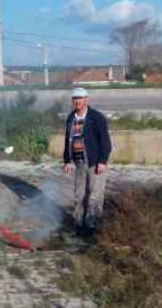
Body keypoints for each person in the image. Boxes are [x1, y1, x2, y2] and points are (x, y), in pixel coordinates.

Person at [63, 87, 112, 233]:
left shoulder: (96, 118)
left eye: (80, 98)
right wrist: (67, 160)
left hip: (95, 163)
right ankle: (78, 224)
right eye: (75, 98)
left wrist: (102, 161)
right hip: (79, 163)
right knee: (79, 195)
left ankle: (92, 226)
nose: (77, 101)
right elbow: (68, 140)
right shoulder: (71, 118)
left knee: (94, 195)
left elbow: (105, 142)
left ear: (86, 100)